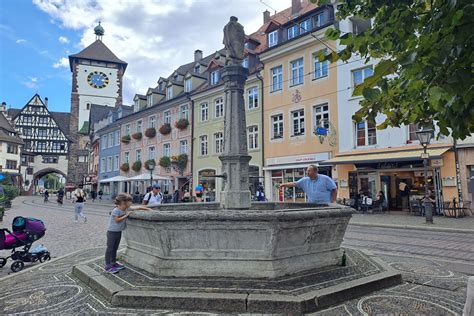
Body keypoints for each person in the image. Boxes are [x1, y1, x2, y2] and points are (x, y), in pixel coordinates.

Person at [104, 193, 152, 274]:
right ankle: (107, 266)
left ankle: (113, 263)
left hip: (118, 231)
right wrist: (126, 215)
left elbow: (138, 207)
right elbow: (117, 220)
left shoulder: (126, 208)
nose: (131, 203)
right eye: (130, 201)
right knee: (110, 249)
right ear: (123, 202)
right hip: (112, 232)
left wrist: (149, 209)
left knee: (115, 248)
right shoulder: (116, 210)